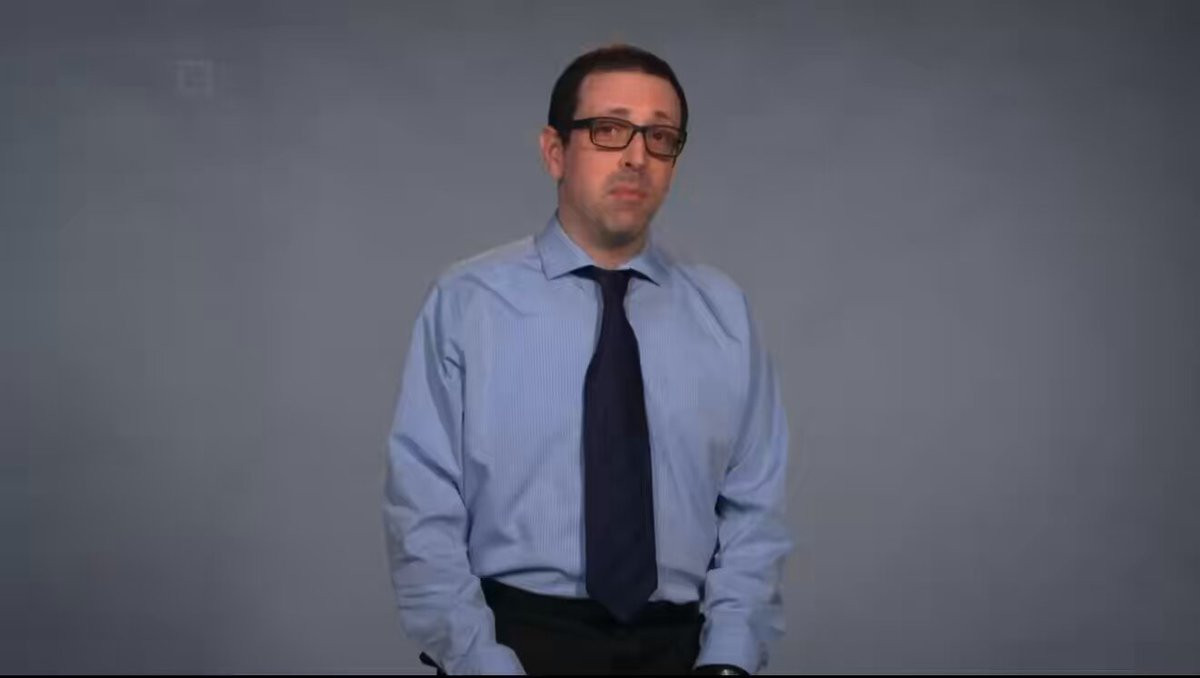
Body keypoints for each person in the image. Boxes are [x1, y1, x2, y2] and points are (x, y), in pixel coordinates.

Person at [383, 44, 790, 675]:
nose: (636, 156)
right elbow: (422, 510)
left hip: (684, 649)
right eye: (609, 129)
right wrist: (479, 661)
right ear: (555, 151)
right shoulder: (468, 302)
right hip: (513, 642)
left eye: (660, 136)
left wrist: (729, 658)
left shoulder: (724, 312)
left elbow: (754, 511)